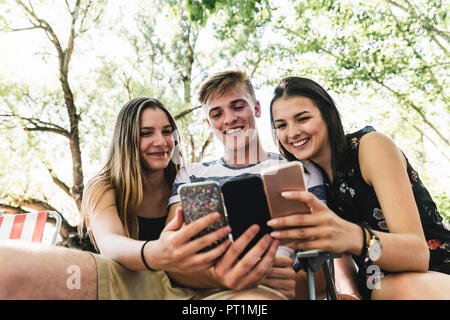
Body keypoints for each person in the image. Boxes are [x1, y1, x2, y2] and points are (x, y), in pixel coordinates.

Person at [0, 97, 232, 300]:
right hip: (131, 285)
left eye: (167, 131)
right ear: (126, 139)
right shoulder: (104, 185)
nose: (161, 141)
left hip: (192, 285)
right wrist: (157, 253)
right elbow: (110, 241)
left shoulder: (188, 179)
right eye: (146, 133)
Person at [267, 76, 450, 299]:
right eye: (282, 125)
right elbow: (342, 261)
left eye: (302, 118)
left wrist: (352, 236)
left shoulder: (370, 147)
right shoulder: (311, 182)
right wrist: (351, 295)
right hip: (377, 286)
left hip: (434, 273)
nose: (292, 132)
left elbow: (417, 253)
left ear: (328, 114)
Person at [165, 70, 333, 299]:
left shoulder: (300, 171)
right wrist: (229, 276)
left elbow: (323, 266)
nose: (229, 119)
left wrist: (293, 285)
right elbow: (171, 260)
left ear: (257, 108)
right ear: (208, 122)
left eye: (238, 106)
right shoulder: (190, 176)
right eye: (216, 113)